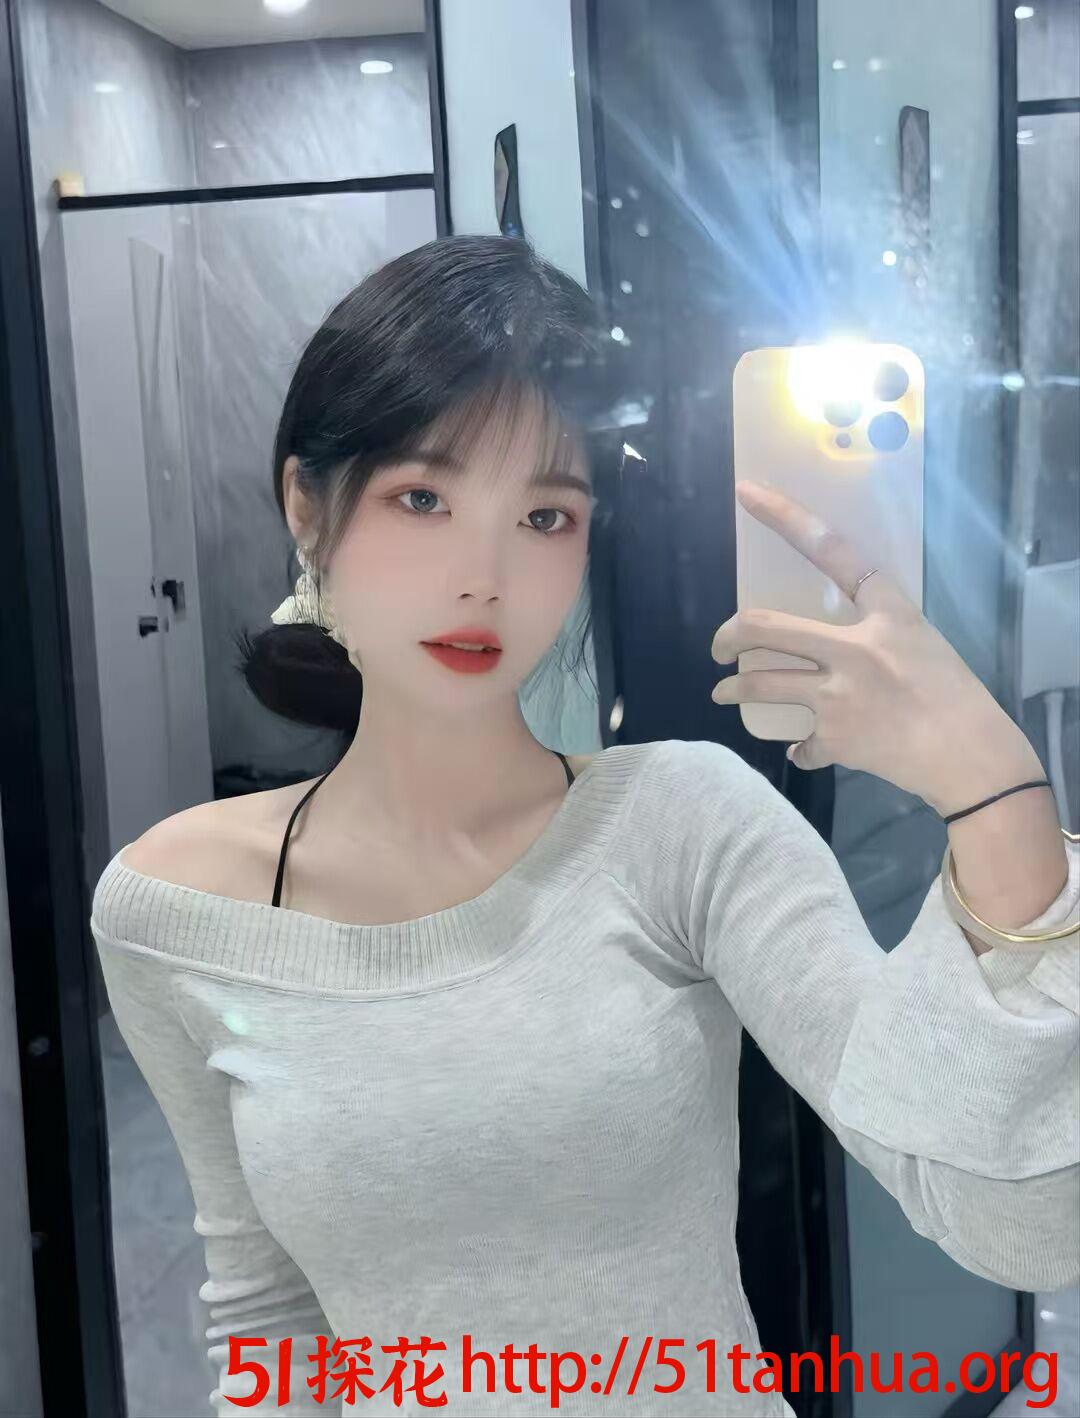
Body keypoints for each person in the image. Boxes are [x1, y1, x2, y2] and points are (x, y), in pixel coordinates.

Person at [90, 235, 1079, 1417]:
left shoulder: (683, 827)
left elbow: (1018, 1225)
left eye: (545, 514)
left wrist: (993, 789)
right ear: (308, 506)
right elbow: (268, 1310)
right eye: (423, 497)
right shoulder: (174, 911)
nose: (484, 573)